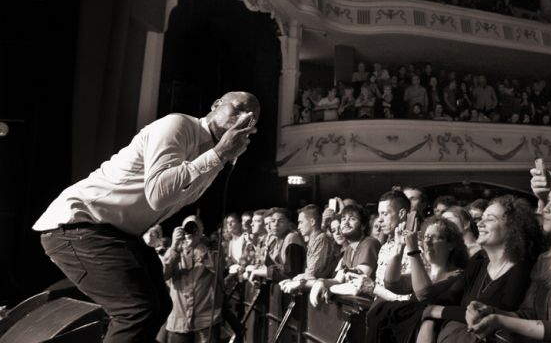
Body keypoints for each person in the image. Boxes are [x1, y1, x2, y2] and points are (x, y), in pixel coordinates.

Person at [36, 91, 259, 342]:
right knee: (137, 310)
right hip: (79, 224)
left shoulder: (214, 157)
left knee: (161, 306)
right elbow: (159, 196)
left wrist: (219, 157)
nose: (243, 118)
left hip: (117, 233)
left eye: (251, 118)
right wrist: (218, 154)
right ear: (216, 104)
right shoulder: (178, 125)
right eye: (238, 109)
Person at [466, 177, 551, 342]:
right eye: (548, 202)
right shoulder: (546, 261)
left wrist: (500, 320)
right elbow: (529, 314)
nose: (545, 209)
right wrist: (491, 312)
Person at [421, 195, 544, 343]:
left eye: (490, 219)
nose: (480, 223)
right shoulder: (478, 262)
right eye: (482, 218)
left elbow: (484, 312)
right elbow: (446, 298)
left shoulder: (523, 268)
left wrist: (437, 311)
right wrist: (428, 321)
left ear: (513, 229)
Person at [162, 215, 224, 342]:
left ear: (201, 231)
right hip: (179, 321)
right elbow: (163, 274)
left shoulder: (212, 249)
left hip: (206, 320)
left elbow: (218, 268)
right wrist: (174, 247)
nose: (191, 230)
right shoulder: (175, 250)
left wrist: (197, 246)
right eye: (187, 227)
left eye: (195, 227)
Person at [309, 203, 381, 307]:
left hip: (371, 308)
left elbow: (357, 286)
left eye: (352, 219)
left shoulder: (369, 243)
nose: (345, 223)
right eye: (343, 219)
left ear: (363, 226)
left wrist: (330, 289)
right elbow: (338, 280)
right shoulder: (349, 249)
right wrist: (320, 283)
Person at [280, 204, 336, 294]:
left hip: (321, 290)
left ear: (312, 222)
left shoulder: (321, 238)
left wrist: (294, 280)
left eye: (301, 222)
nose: (298, 227)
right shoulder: (313, 239)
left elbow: (313, 273)